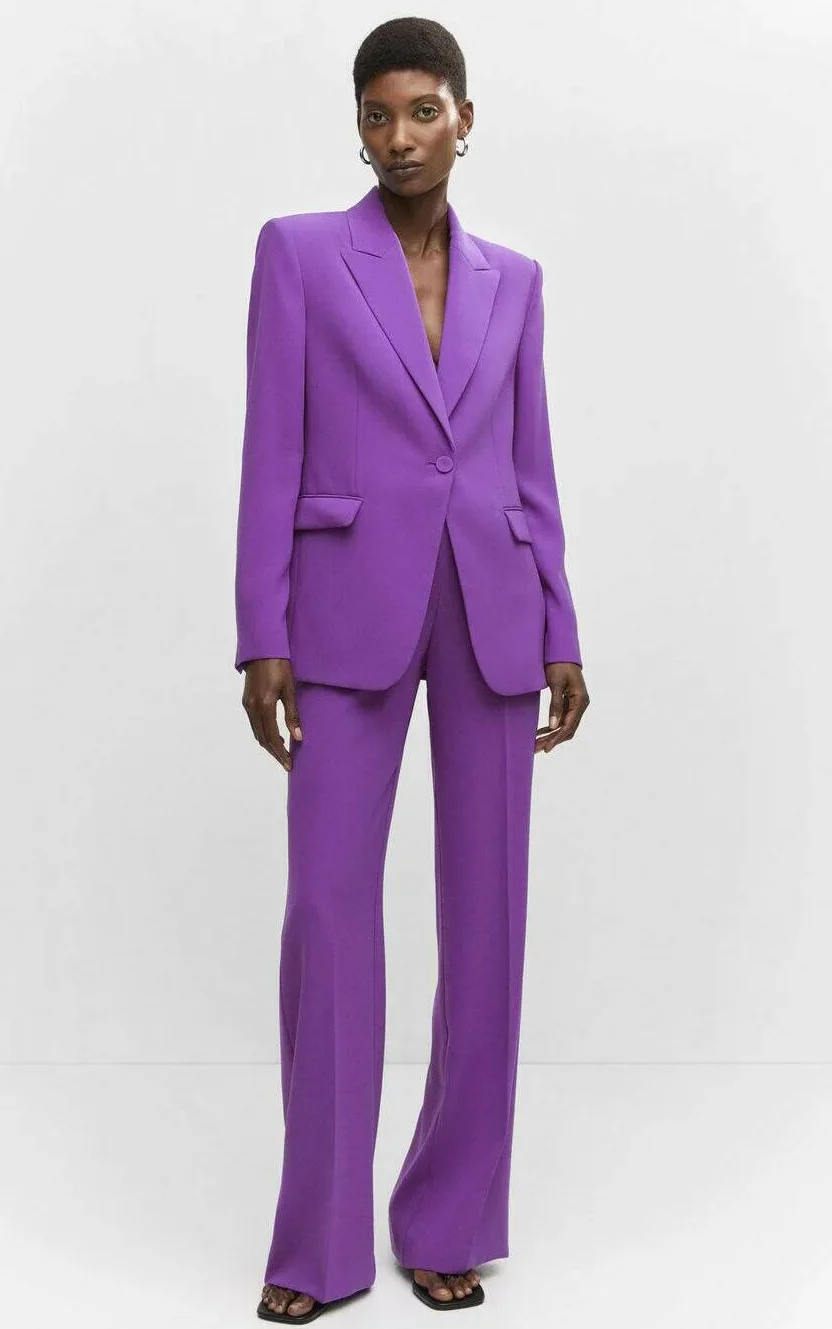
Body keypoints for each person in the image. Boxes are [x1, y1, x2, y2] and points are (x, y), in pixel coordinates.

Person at [234, 16, 590, 1323]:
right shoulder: (300, 255)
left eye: (422, 111)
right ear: (359, 127)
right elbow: (272, 444)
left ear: (464, 120)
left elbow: (529, 466)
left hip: (493, 604)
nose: (399, 137)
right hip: (344, 609)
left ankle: (450, 1220)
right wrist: (261, 628)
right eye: (377, 115)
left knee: (487, 924)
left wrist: (561, 626)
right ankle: (318, 1247)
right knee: (328, 918)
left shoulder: (517, 281)